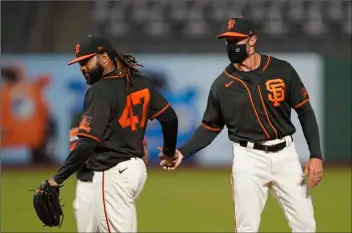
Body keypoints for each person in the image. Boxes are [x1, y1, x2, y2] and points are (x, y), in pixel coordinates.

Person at [159, 17, 323, 232]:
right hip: (249, 159)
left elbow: (305, 111)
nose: (231, 46)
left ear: (252, 40)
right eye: (227, 41)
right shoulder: (222, 85)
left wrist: (316, 155)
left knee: (306, 225)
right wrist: (181, 152)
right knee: (247, 228)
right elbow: (210, 127)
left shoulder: (282, 70)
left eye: (236, 40)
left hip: (286, 156)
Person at [46, 35, 179, 232]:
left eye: (86, 61)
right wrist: (169, 153)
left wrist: (57, 179)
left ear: (104, 58)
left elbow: (87, 144)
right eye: (79, 63)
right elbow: (170, 119)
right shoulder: (140, 82)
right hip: (136, 171)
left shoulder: (99, 91)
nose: (82, 67)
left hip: (112, 173)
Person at [69, 111, 149, 232]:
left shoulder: (123, 111)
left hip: (116, 184)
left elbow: (143, 152)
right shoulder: (82, 116)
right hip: (89, 186)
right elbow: (79, 154)